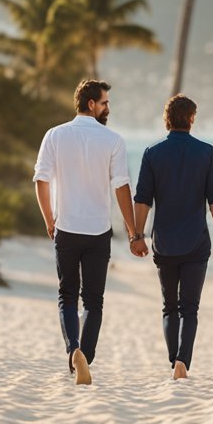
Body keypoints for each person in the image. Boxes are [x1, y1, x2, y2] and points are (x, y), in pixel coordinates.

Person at [33, 78, 148, 385]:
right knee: (93, 300)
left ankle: (73, 352)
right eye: (105, 102)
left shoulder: (54, 135)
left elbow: (41, 180)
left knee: (67, 296)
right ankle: (87, 356)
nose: (108, 107)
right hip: (98, 231)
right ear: (91, 104)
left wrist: (49, 219)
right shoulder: (113, 140)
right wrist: (134, 231)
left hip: (66, 228)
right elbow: (122, 187)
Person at [133, 94, 213, 379]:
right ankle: (183, 362)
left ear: (167, 120)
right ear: (191, 119)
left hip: (163, 242)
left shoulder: (152, 153)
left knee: (170, 307)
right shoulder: (206, 152)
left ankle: (173, 359)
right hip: (195, 243)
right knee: (190, 308)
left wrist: (137, 235)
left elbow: (142, 200)